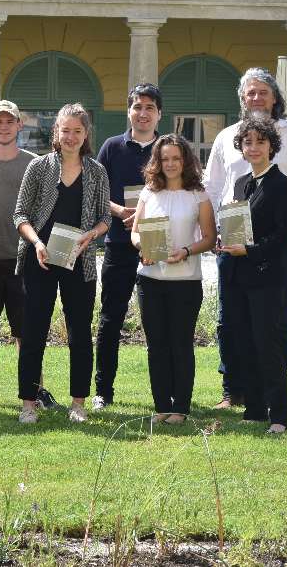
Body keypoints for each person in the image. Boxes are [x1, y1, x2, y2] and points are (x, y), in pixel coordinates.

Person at [203, 68, 287, 409]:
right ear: (242, 100)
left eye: (263, 92)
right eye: (250, 93)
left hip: (274, 247)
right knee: (229, 320)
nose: (256, 98)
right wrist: (212, 228)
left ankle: (272, 391)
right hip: (231, 242)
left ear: (276, 97)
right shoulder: (227, 137)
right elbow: (212, 187)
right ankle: (233, 390)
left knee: (273, 321)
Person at [0, 100, 65, 409]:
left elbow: (50, 207)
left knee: (28, 331)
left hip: (25, 259)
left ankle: (36, 389)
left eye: (10, 121)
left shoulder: (36, 163)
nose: (4, 126)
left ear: (20, 125)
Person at [13, 103, 111, 424]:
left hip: (79, 261)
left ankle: (78, 403)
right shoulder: (39, 167)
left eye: (77, 131)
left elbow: (105, 218)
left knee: (80, 332)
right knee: (34, 331)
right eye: (65, 130)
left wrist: (90, 236)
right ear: (56, 131)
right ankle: (29, 403)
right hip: (39, 260)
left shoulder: (96, 171)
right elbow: (20, 215)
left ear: (86, 135)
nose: (70, 137)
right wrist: (37, 242)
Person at [215, 117, 287, 434]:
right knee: (244, 342)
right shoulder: (241, 184)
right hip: (238, 278)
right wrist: (226, 241)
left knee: (269, 345)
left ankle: (278, 416)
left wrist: (249, 251)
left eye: (260, 142)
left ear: (271, 147)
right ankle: (253, 408)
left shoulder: (282, 186)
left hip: (267, 279)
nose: (253, 147)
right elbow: (237, 228)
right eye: (247, 142)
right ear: (241, 147)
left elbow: (282, 236)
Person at [130, 134, 216, 424]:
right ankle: (161, 406)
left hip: (186, 280)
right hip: (150, 279)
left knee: (180, 343)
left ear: (185, 160)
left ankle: (180, 407)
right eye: (164, 158)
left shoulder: (198, 195)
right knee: (156, 344)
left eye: (175, 158)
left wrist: (186, 250)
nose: (170, 164)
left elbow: (209, 238)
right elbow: (135, 232)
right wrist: (143, 246)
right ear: (157, 162)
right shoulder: (148, 192)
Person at [93, 83, 162, 410]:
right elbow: (95, 190)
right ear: (129, 111)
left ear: (159, 114)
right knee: (110, 319)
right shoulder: (111, 147)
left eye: (150, 107)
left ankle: (166, 394)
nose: (143, 113)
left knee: (161, 322)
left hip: (157, 241)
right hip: (119, 243)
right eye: (138, 107)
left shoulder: (168, 148)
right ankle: (102, 392)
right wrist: (119, 210)